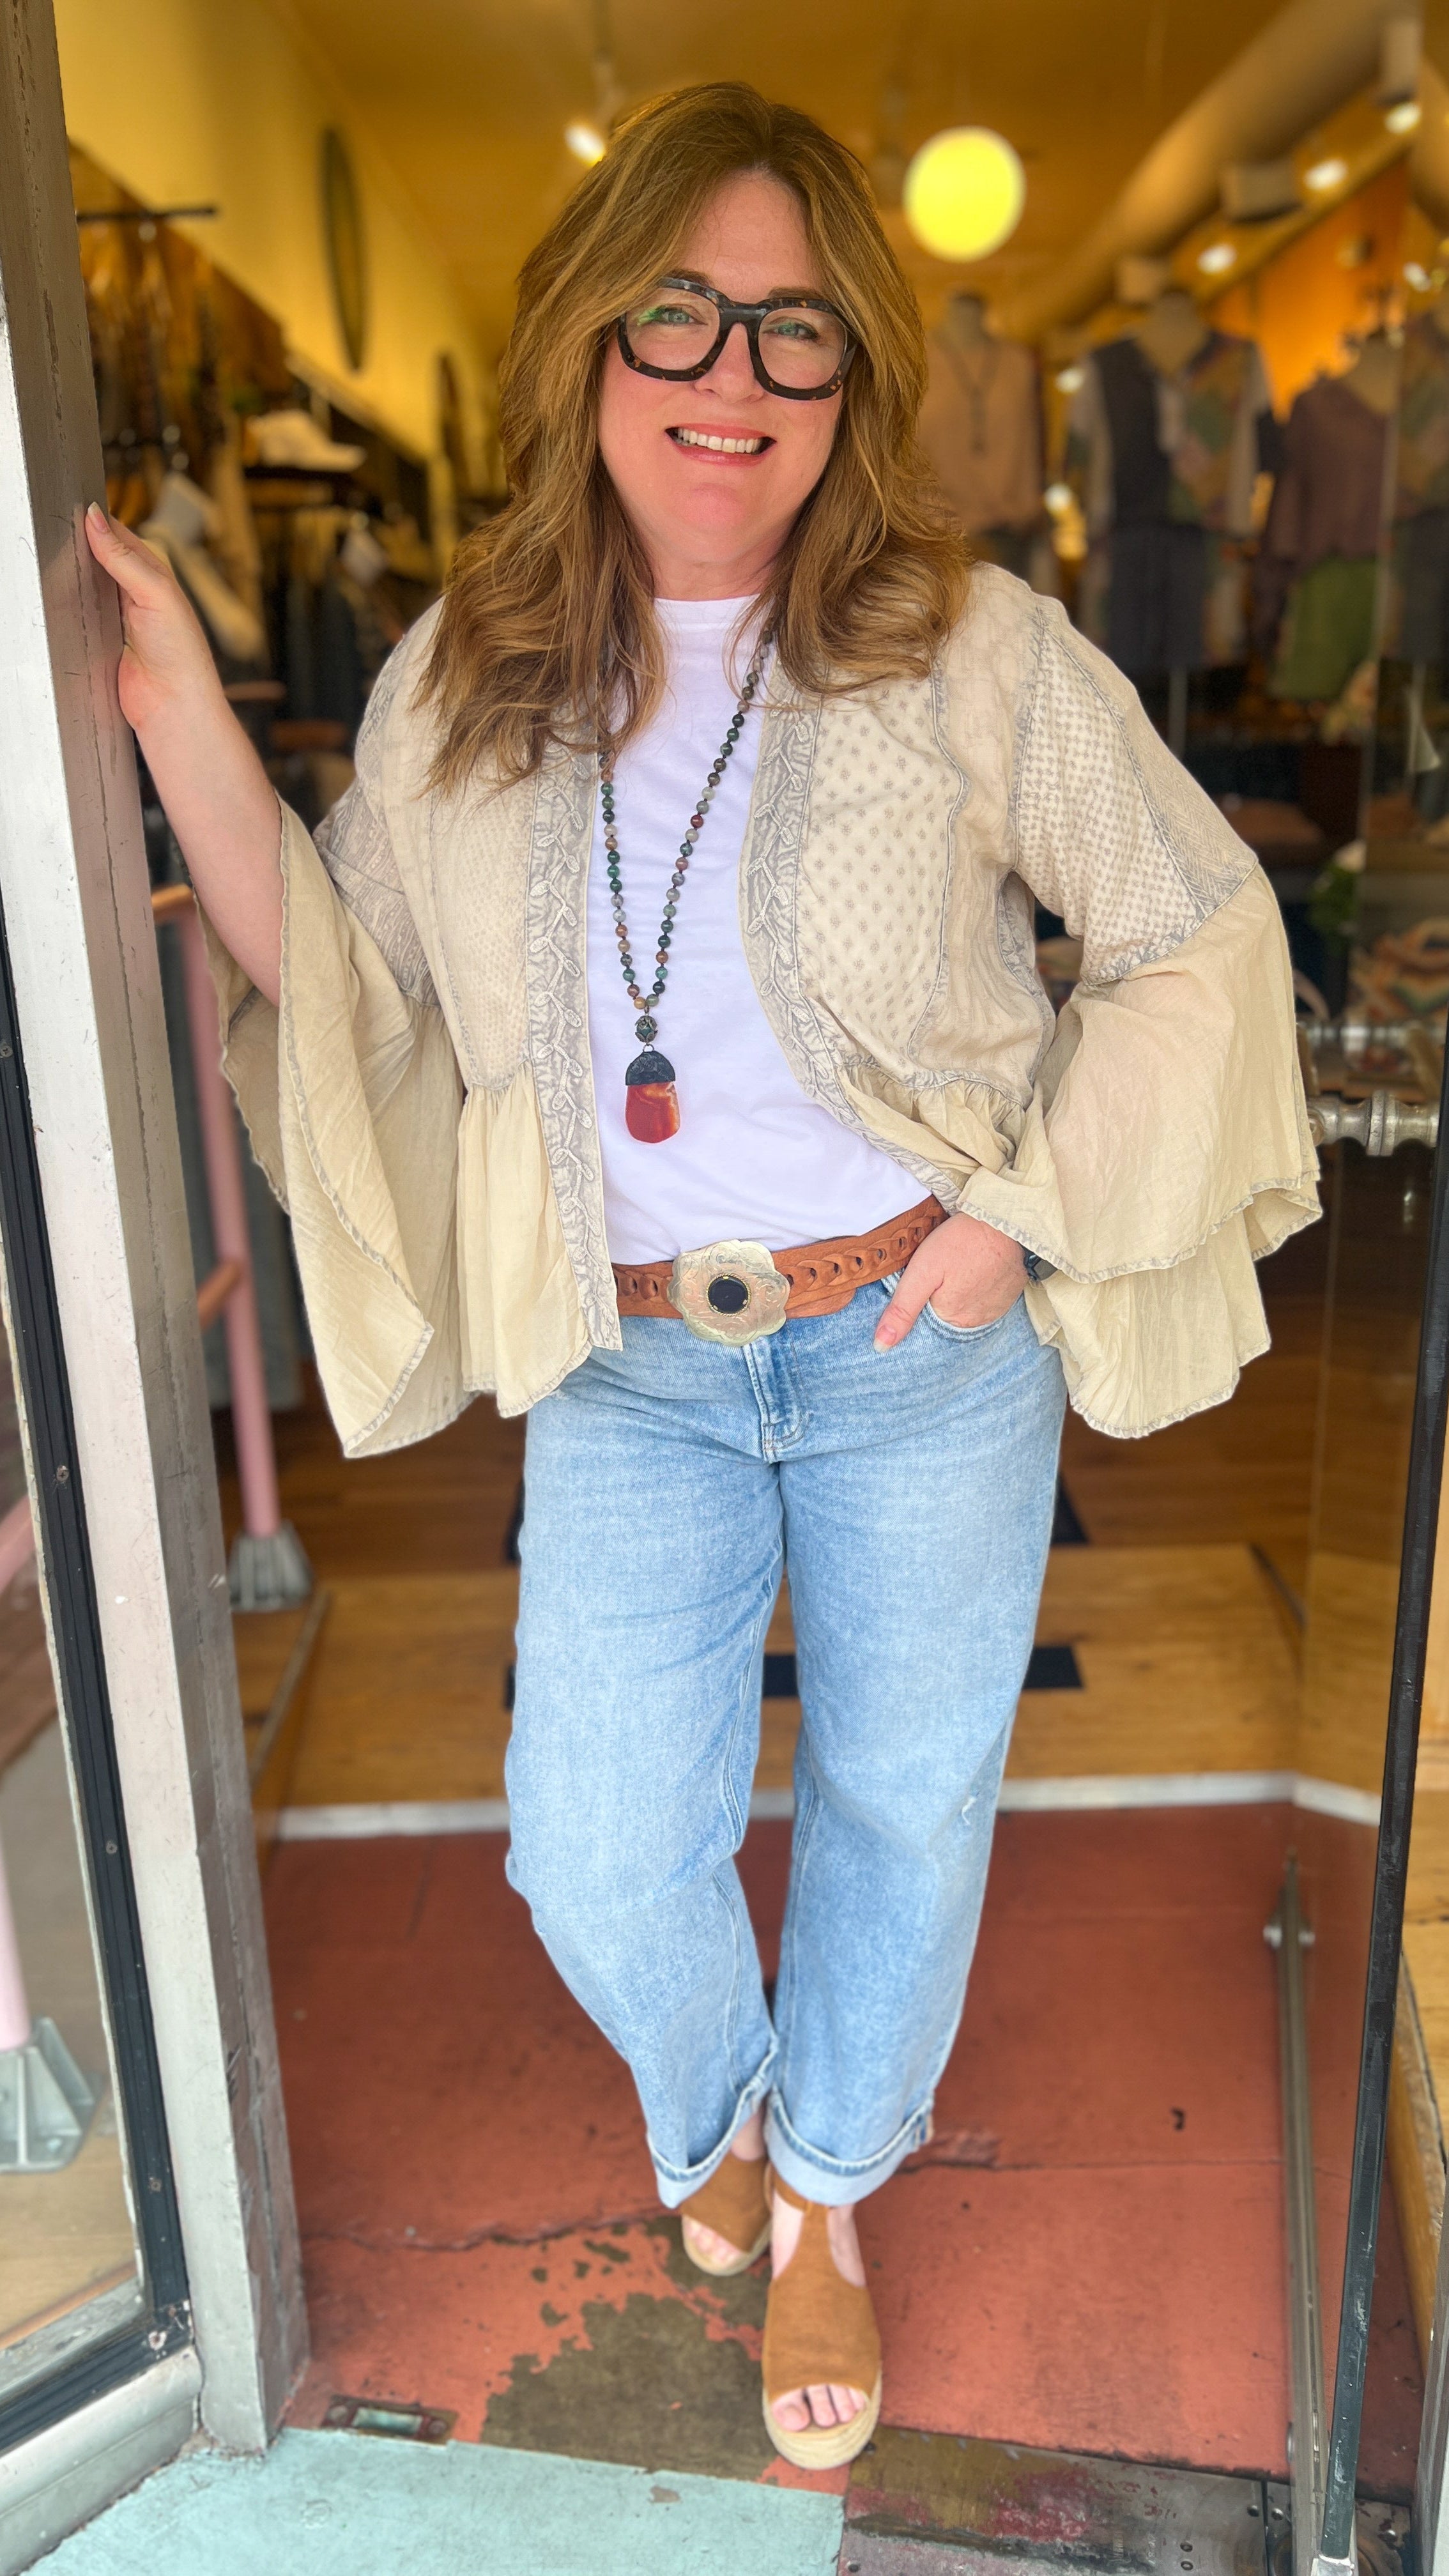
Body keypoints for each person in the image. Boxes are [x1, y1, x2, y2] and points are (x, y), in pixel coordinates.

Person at [86, 82, 1319, 2472]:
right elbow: (344, 990)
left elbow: (1193, 925)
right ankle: (729, 2126)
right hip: (632, 1367)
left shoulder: (967, 647)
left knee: (897, 1792)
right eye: (679, 312)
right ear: (588, 339)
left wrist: (1012, 1229)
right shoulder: (466, 671)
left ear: (847, 376)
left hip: (908, 1334)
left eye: (791, 329)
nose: (730, 374)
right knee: (593, 1836)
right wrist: (165, 720)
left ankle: (828, 2199)